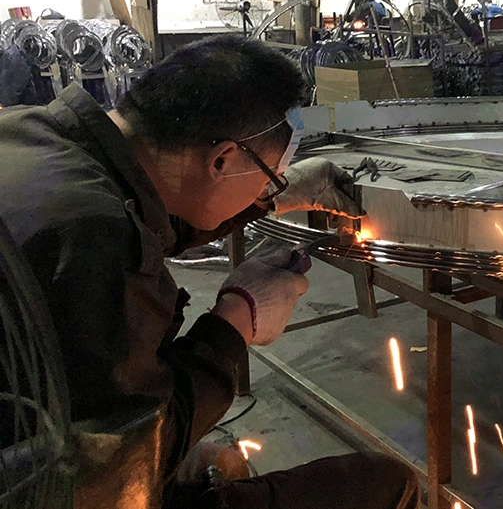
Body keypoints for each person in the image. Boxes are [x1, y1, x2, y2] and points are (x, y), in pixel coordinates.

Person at [0, 35, 419, 509]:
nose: (270, 187)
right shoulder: (95, 235)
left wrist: (274, 196)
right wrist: (235, 320)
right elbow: (114, 472)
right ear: (221, 159)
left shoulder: (32, 133)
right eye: (269, 176)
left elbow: (155, 207)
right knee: (386, 485)